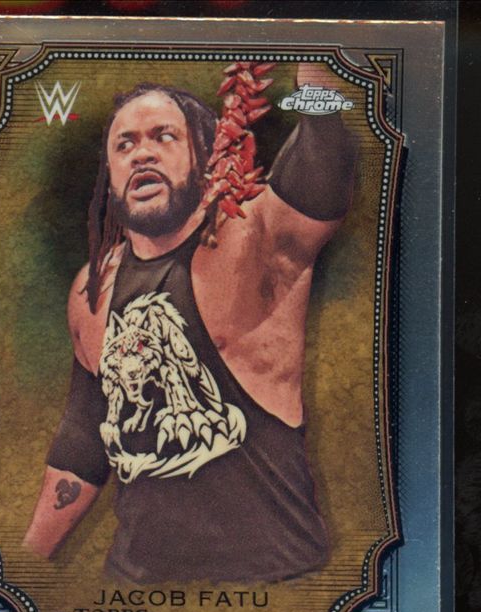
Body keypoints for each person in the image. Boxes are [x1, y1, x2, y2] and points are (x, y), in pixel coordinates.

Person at [23, 63, 356, 583]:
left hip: (271, 588)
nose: (142, 153)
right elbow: (84, 442)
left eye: (164, 136)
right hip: (134, 589)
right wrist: (21, 568)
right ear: (110, 175)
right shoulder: (94, 287)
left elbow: (325, 155)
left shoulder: (257, 240)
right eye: (125, 144)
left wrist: (316, 70)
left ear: (203, 154)